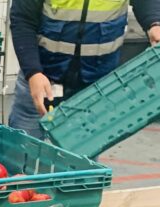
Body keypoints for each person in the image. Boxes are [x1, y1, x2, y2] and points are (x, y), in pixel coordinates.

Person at [9, 0, 160, 139]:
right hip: (42, 80)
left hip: (94, 88)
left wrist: (154, 23)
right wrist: (33, 73)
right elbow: (22, 19)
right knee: (21, 152)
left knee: (81, 159)